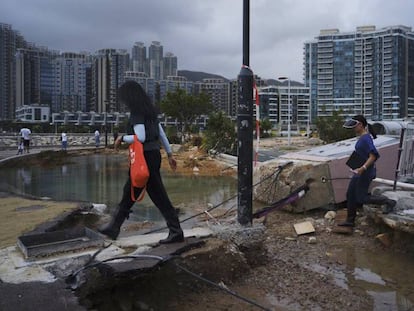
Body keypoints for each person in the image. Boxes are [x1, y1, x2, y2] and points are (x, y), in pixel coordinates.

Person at [99, 80, 184, 244]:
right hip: (153, 155)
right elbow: (162, 134)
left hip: (143, 157)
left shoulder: (137, 113)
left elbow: (141, 137)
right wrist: (170, 154)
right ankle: (114, 227)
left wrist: (121, 138)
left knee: (154, 194)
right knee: (131, 191)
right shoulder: (150, 111)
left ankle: (176, 231)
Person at [338, 115, 396, 227]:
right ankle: (350, 220)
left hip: (365, 172)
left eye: (354, 126)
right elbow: (363, 154)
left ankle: (388, 201)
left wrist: (363, 168)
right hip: (359, 171)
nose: (353, 129)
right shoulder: (362, 137)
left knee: (361, 197)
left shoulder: (366, 138)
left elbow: (373, 155)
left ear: (360, 124)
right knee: (350, 194)